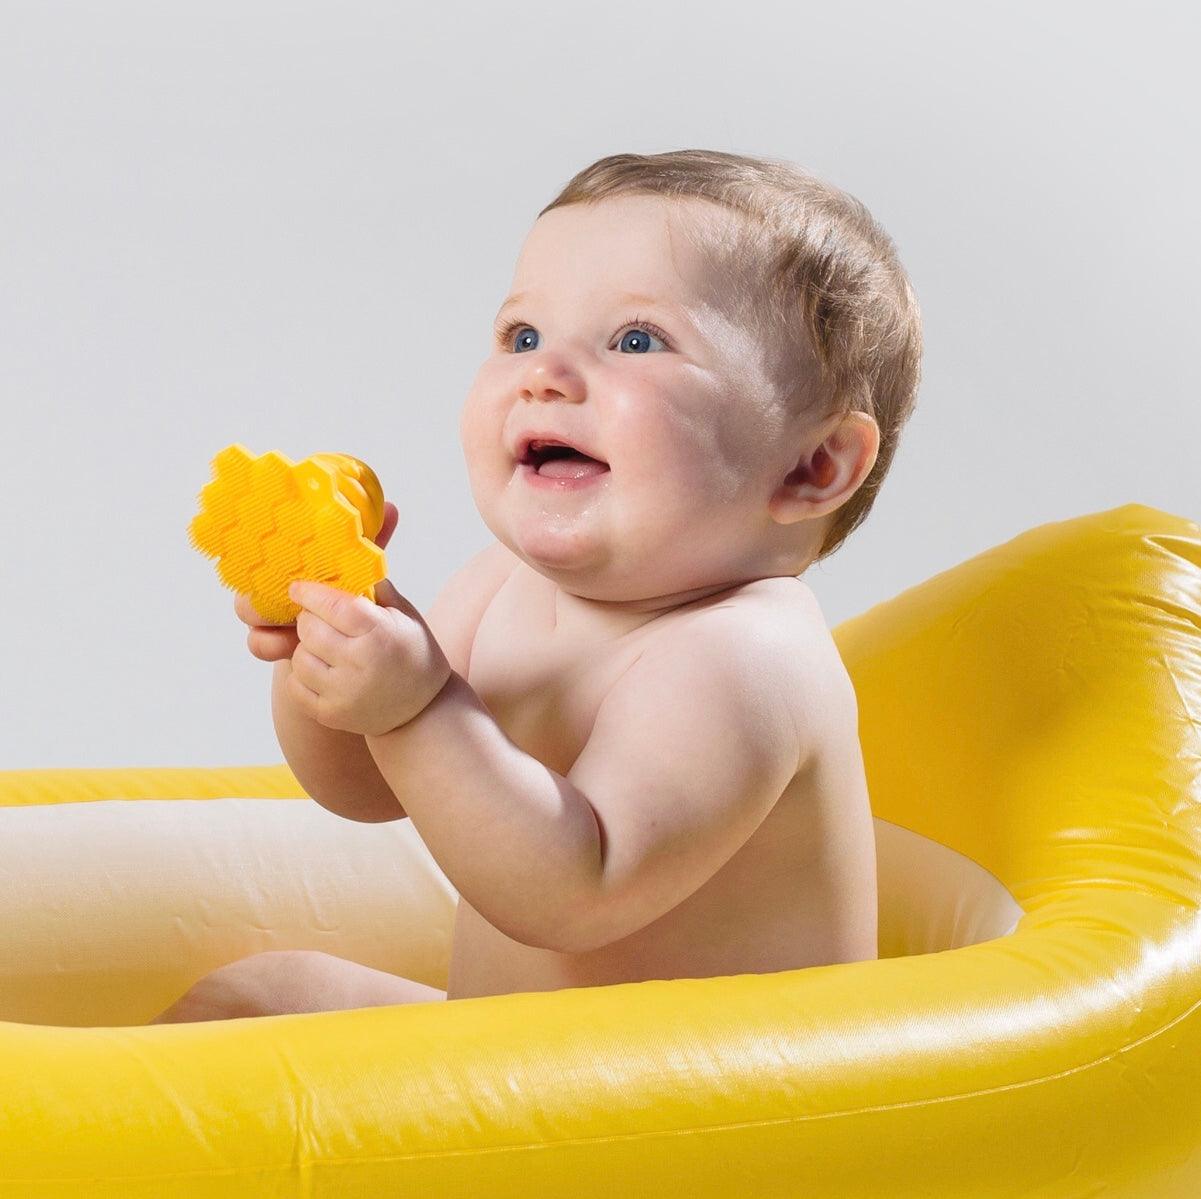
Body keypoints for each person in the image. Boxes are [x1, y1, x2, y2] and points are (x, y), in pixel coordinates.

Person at [151, 148, 921, 1023]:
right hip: (537, 1089)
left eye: (636, 340)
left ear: (813, 465)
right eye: (521, 335)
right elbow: (366, 786)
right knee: (258, 994)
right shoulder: (499, 587)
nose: (543, 372)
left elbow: (569, 895)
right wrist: (325, 651)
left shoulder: (744, 658)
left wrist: (415, 706)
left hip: (691, 1127)